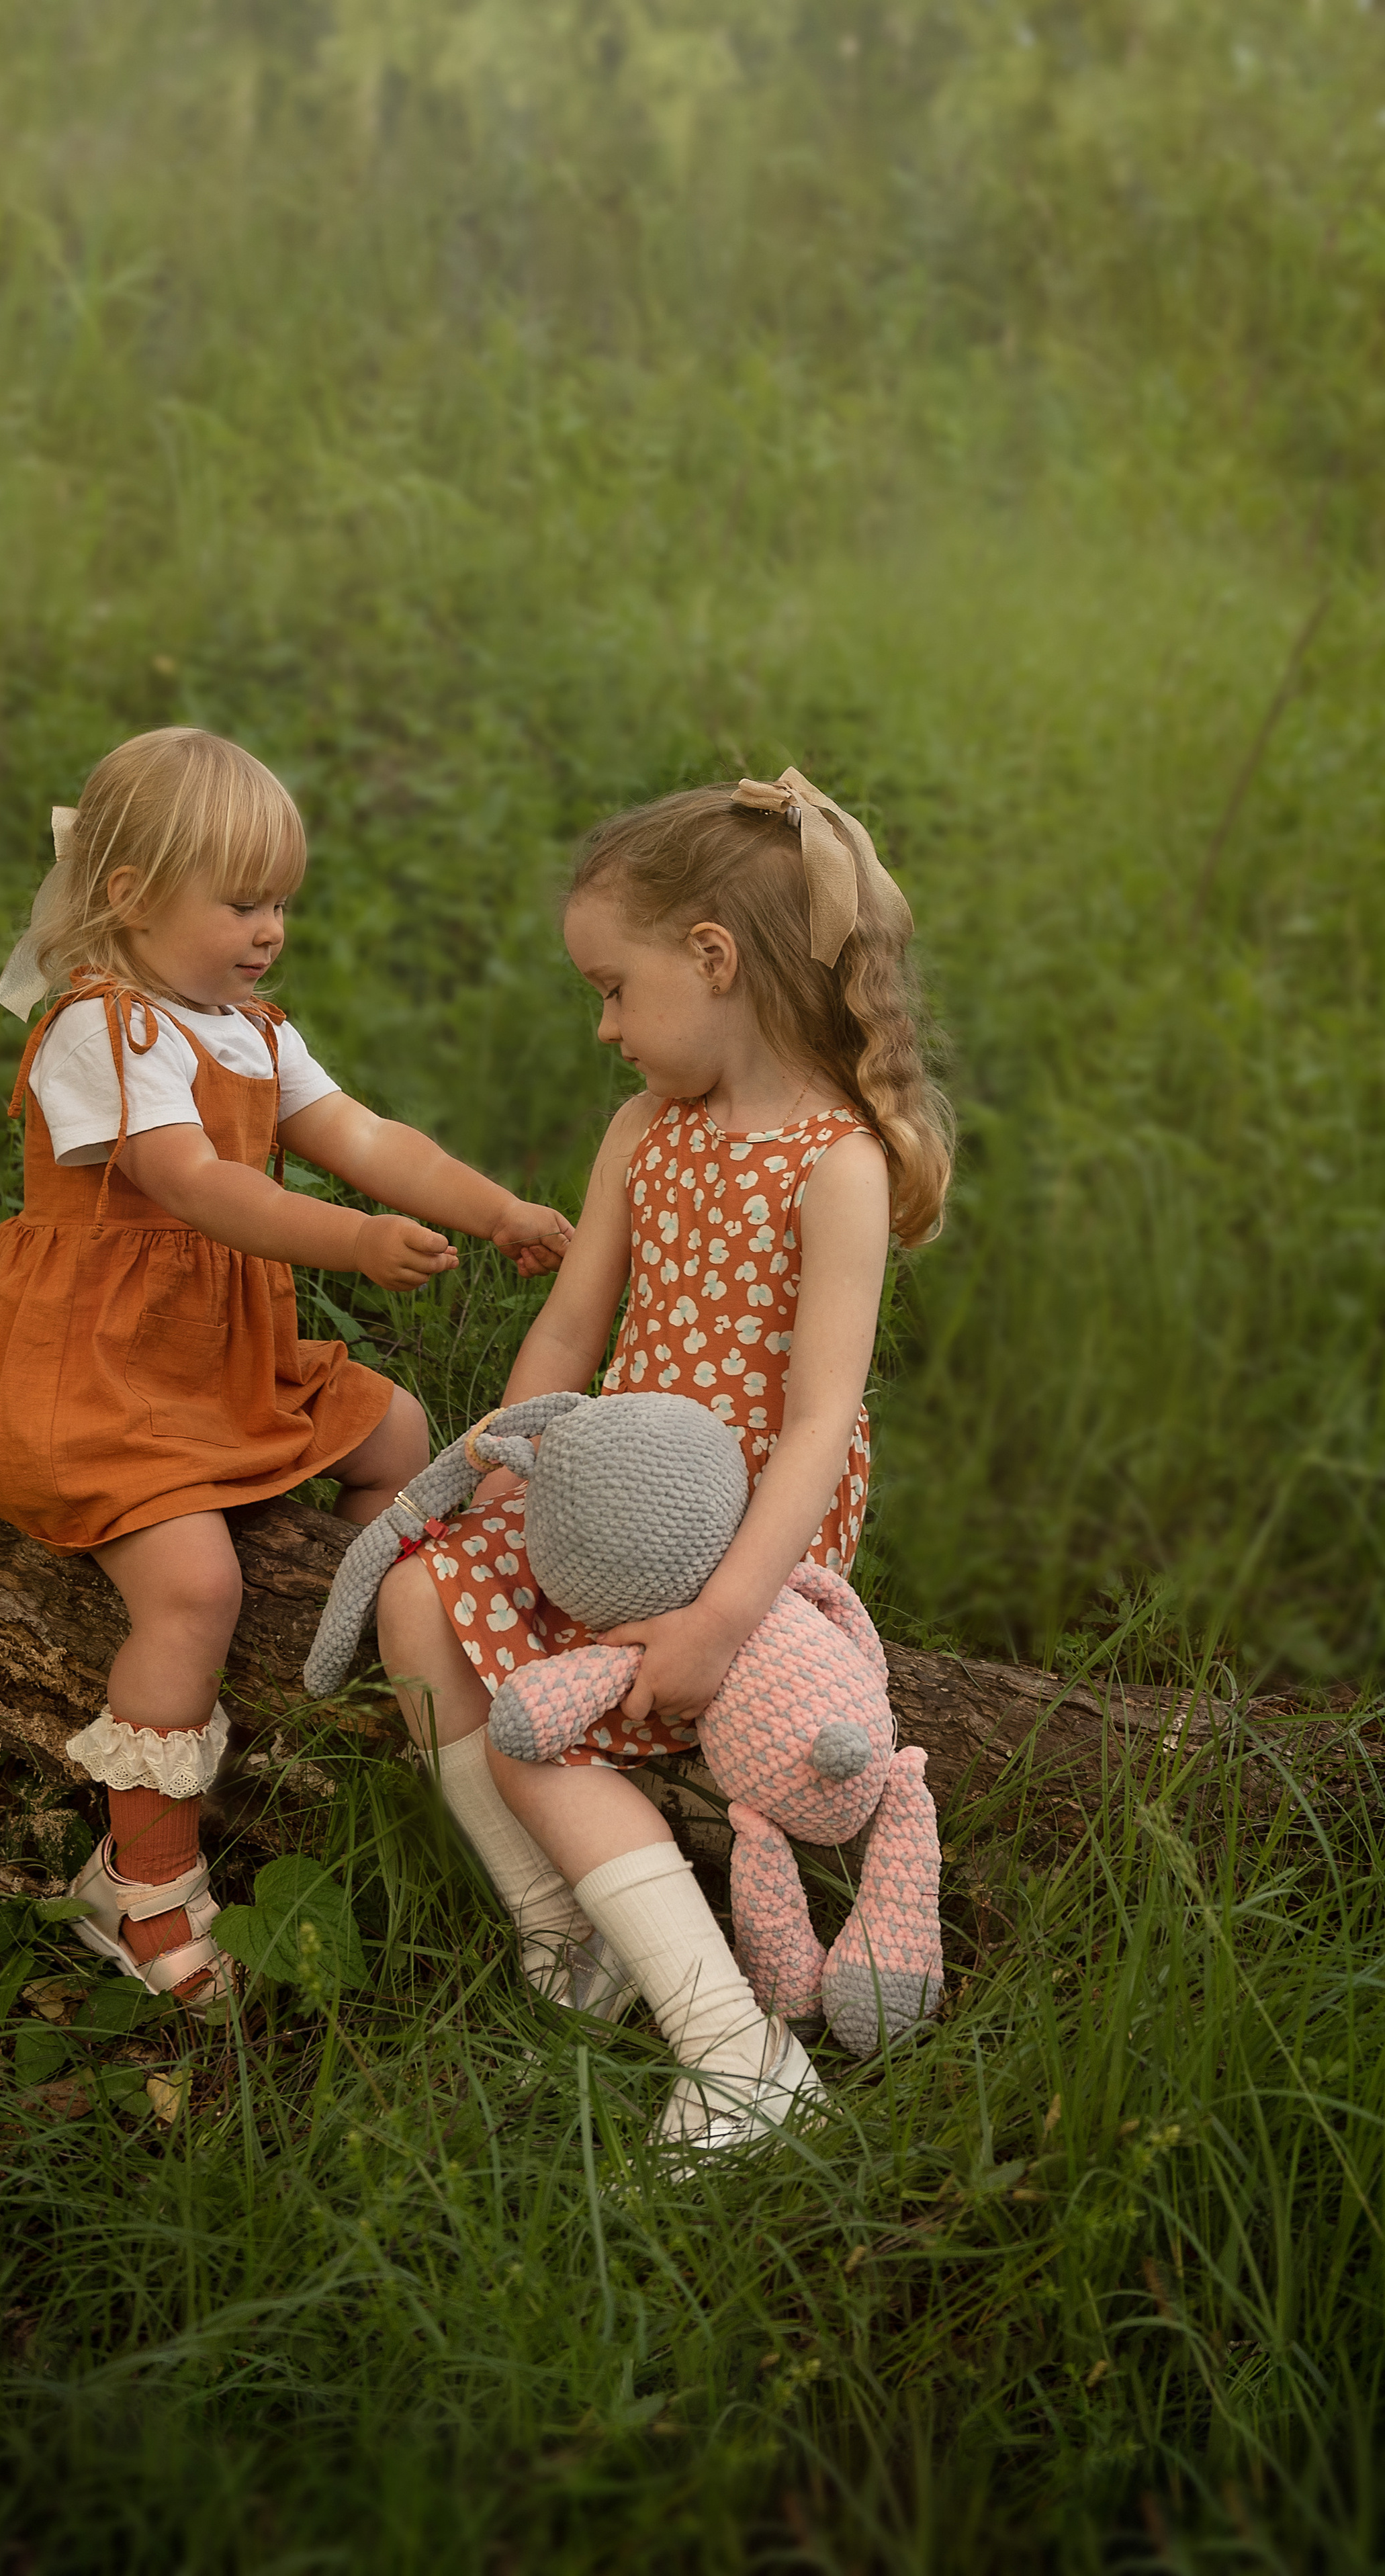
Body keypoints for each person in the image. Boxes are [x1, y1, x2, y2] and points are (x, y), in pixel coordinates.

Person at [0, 725, 572, 2010]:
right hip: (96, 1362)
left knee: (400, 1431)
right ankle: (136, 1884)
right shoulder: (108, 1030)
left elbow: (364, 1133)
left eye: (282, 905)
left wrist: (495, 1212)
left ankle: (379, 1638)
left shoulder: (246, 1026)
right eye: (242, 902)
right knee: (194, 1585)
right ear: (133, 899)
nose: (270, 931)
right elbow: (195, 1187)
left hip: (211, 1354)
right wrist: (353, 1243)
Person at [377, 768, 953, 2156]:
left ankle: (732, 2048)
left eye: (614, 989)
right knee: (411, 1600)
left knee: (537, 1728)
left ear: (711, 960)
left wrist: (720, 1614)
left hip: (746, 1546)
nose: (603, 1026)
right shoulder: (644, 1130)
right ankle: (567, 1933)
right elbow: (572, 1323)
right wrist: (513, 1460)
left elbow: (818, 1421)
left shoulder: (835, 1165)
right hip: (611, 1504)